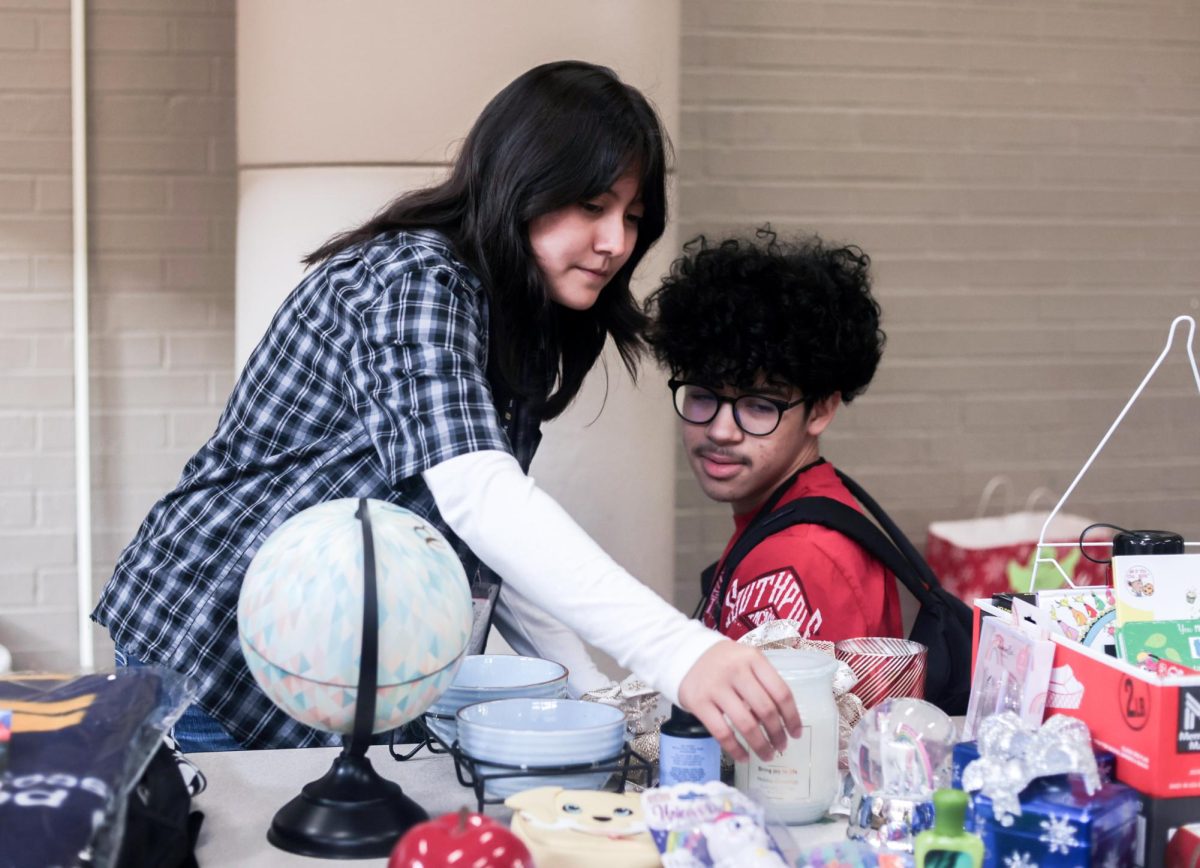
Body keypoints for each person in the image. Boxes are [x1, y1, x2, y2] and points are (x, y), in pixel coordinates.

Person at [92, 61, 799, 760]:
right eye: (592, 206)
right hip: (217, 646)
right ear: (521, 180)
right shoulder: (414, 279)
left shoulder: (514, 313)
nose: (616, 243)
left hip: (330, 661)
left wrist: (591, 703)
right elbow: (480, 500)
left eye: (632, 218)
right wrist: (680, 650)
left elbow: (488, 543)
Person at [644, 229, 903, 643]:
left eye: (759, 405)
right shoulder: (801, 510)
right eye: (702, 395)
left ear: (821, 409)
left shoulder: (794, 557)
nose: (720, 431)